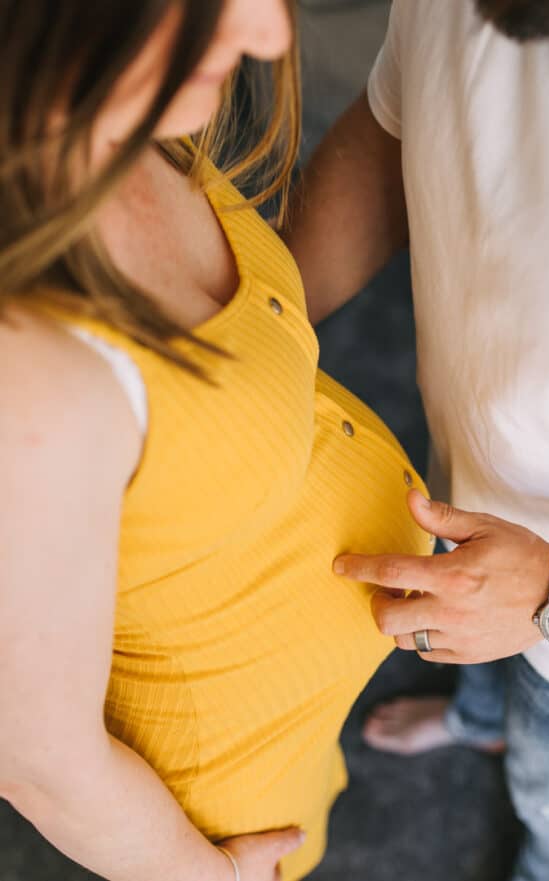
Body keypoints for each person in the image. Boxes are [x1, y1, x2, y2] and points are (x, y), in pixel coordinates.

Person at [0, 3, 433, 881]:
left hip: (295, 694)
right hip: (226, 776)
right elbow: (40, 761)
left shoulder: (114, 123)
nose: (270, 40)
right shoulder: (30, 373)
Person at [283, 0, 549, 879]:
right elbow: (404, 116)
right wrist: (268, 321)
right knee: (473, 656)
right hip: (460, 493)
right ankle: (477, 720)